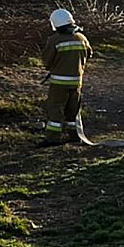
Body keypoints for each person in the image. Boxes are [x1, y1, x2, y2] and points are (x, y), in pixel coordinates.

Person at [40, 8, 92, 145]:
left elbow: (46, 61)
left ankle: (52, 139)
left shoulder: (55, 40)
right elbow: (89, 54)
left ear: (55, 24)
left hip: (58, 83)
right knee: (73, 110)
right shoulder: (82, 38)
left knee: (55, 110)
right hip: (77, 82)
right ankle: (74, 136)